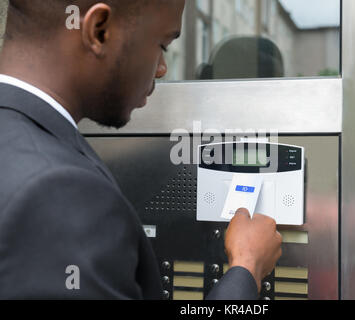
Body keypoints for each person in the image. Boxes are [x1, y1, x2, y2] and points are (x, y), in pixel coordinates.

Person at [0, 0, 282, 299]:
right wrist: (247, 267)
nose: (162, 69)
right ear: (99, 31)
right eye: (162, 44)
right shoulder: (62, 192)